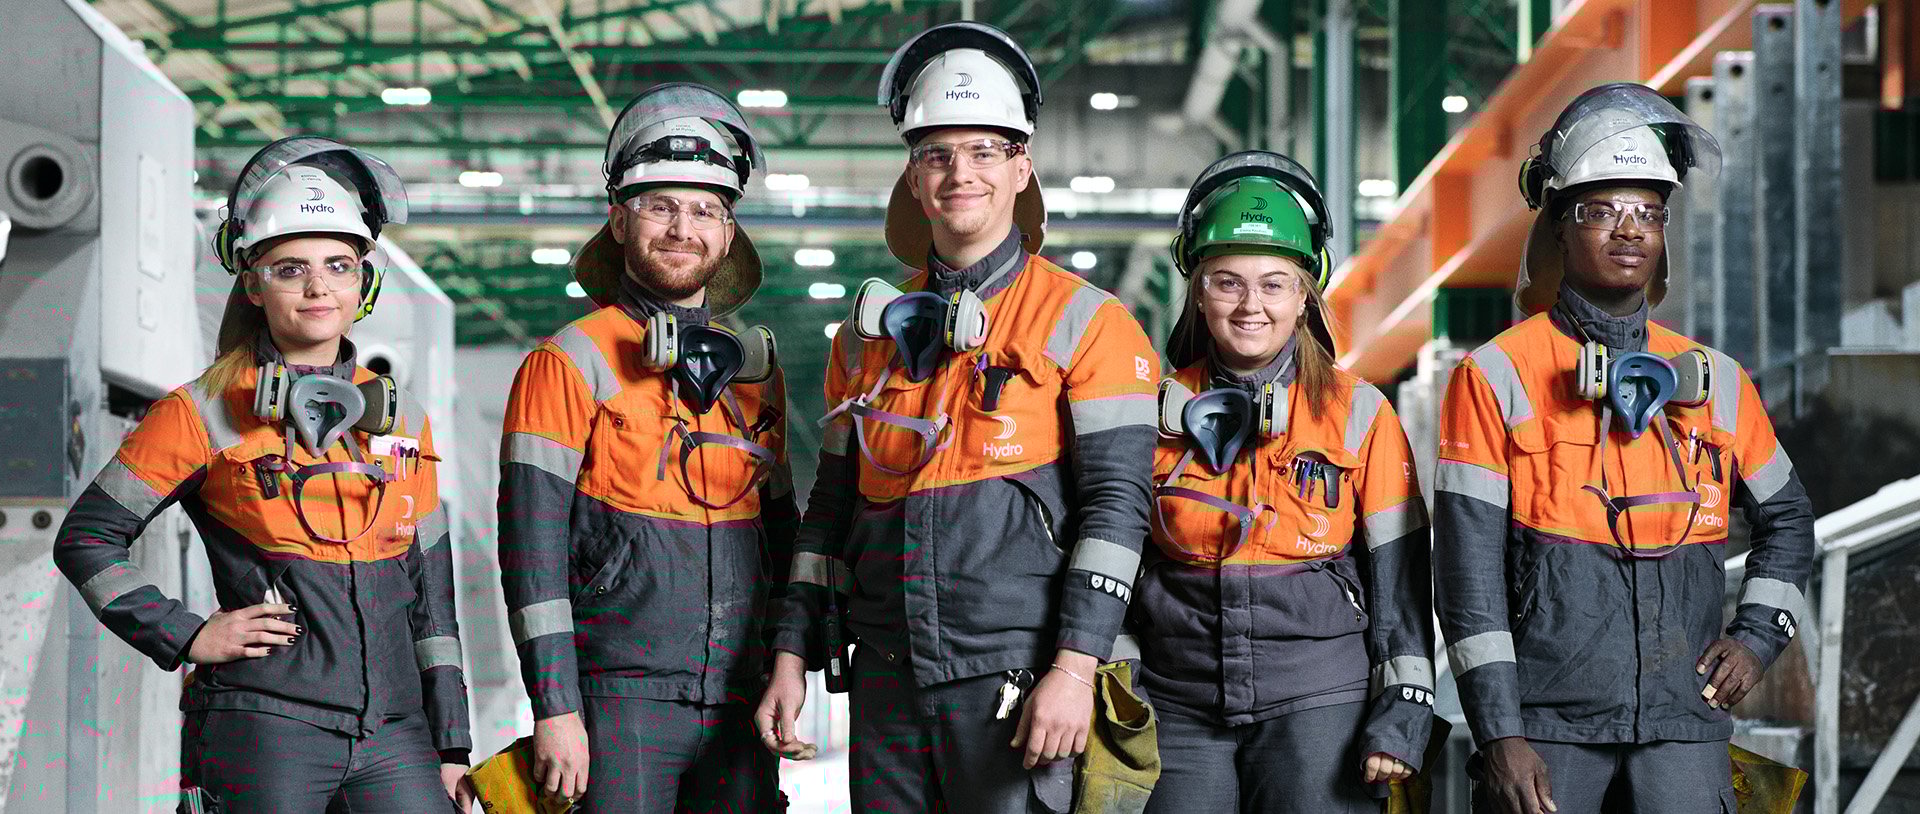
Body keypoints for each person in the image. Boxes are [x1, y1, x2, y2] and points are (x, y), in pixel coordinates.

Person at [754, 21, 1160, 814]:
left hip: (1017, 677)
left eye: (983, 152)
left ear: (1021, 168)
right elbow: (830, 514)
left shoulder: (1089, 322)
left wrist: (1075, 669)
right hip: (886, 675)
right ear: (913, 177)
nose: (959, 174)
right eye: (938, 155)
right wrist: (791, 652)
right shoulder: (866, 338)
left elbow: (1117, 510)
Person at [53, 136, 472, 813]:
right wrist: (186, 632)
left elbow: (432, 602)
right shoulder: (203, 411)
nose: (317, 287)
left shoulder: (403, 419)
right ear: (252, 283)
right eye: (290, 269)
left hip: (396, 733)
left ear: (364, 280)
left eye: (338, 265)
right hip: (270, 727)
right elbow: (86, 539)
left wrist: (451, 744)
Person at [1433, 83, 1817, 814]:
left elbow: (1789, 520)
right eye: (1601, 210)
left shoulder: (1719, 384)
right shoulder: (1496, 376)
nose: (1628, 230)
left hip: (1683, 726)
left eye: (1648, 212)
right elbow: (1466, 574)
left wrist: (1758, 638)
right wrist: (1500, 733)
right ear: (1558, 225)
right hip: (1547, 731)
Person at [495, 82, 796, 813]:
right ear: (619, 220)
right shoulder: (568, 362)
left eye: (704, 211)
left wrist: (790, 665)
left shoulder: (752, 376)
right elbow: (530, 552)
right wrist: (556, 706)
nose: (681, 228)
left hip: (738, 700)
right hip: (617, 701)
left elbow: (782, 540)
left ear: (728, 235)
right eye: (660, 205)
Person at [1135, 150, 1435, 813]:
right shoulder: (1150, 413)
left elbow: (1401, 586)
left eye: (1274, 284)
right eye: (1227, 282)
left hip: (1319, 698)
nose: (1251, 307)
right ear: (1198, 289)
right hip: (1177, 700)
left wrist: (1403, 713)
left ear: (1305, 297)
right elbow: (1113, 554)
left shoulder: (1359, 413)